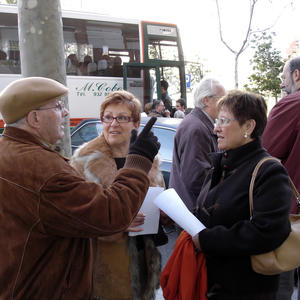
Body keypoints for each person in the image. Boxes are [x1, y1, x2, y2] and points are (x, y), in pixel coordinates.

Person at [0, 77, 160, 299]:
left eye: (123, 118)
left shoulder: (9, 152)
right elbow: (109, 213)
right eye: (57, 107)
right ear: (34, 117)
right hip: (42, 288)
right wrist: (139, 159)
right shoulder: (45, 170)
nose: (65, 113)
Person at [192, 90, 292, 300]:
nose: (215, 128)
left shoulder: (269, 171)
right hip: (210, 283)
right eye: (216, 120)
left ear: (248, 126)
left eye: (224, 121)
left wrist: (207, 240)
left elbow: (268, 231)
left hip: (247, 289)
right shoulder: (222, 164)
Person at [70, 90, 166, 300]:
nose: (113, 124)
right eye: (107, 117)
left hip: (145, 258)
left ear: (136, 123)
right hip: (105, 265)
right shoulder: (82, 162)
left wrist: (163, 212)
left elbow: (158, 199)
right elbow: (75, 218)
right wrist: (117, 222)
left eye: (122, 117)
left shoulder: (149, 159)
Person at [262, 56, 300, 300]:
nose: (283, 82)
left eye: (284, 76)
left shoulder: (291, 104)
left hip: (292, 216)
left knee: (280, 285)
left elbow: (265, 154)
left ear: (297, 76)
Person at [169, 78, 225, 212]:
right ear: (206, 100)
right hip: (192, 211)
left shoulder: (199, 124)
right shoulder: (197, 128)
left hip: (191, 208)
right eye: (222, 99)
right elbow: (196, 178)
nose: (225, 104)